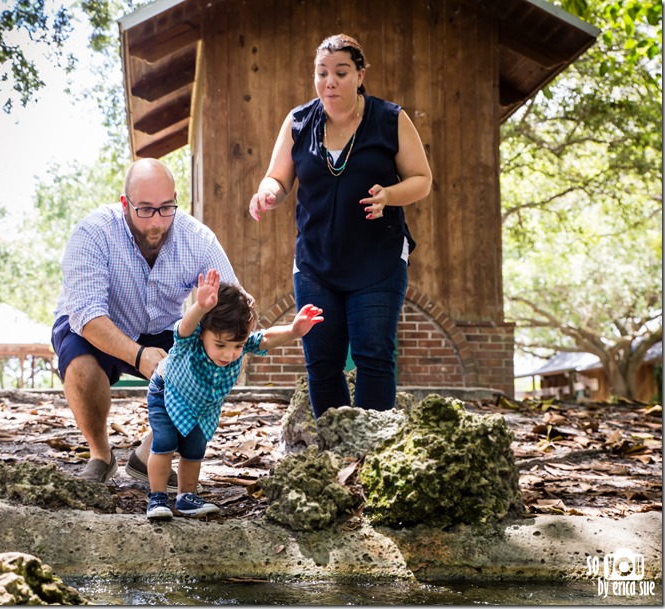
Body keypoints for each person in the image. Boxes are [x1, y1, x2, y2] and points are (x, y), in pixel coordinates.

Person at [248, 33, 432, 418]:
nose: (329, 82)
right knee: (322, 360)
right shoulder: (299, 122)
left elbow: (421, 179)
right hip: (316, 263)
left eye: (341, 72)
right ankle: (335, 450)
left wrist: (389, 196)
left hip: (377, 259)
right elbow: (278, 178)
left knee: (373, 354)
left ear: (360, 75)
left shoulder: (390, 119)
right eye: (322, 73)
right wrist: (267, 191)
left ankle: (371, 451)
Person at [52, 158, 238, 486]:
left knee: (221, 353)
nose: (157, 222)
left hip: (165, 328)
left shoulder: (197, 238)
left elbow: (233, 303)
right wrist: (139, 356)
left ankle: (146, 455)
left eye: (166, 208)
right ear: (125, 204)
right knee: (79, 363)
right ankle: (100, 454)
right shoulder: (93, 232)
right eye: (146, 210)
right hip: (99, 327)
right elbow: (85, 314)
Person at [144, 269, 323, 520]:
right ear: (204, 331)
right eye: (220, 345)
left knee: (195, 450)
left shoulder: (239, 343)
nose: (229, 354)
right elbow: (185, 326)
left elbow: (264, 339)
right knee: (164, 444)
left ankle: (186, 497)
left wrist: (294, 331)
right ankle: (157, 498)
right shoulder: (191, 339)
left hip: (201, 407)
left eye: (237, 346)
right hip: (167, 393)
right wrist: (200, 307)